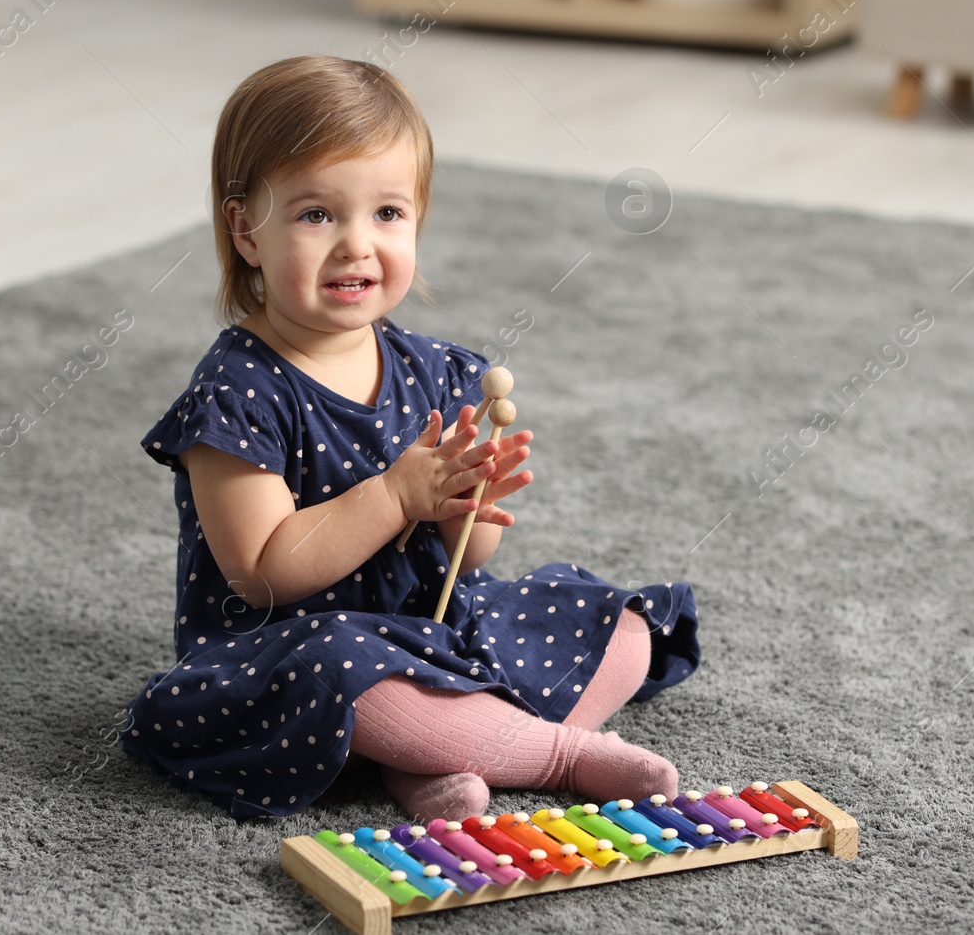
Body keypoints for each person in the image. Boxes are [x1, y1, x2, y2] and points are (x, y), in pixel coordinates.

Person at [122, 55, 699, 821]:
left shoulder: (439, 370)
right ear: (246, 231)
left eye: (387, 213)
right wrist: (396, 492)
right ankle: (554, 754)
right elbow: (263, 572)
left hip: (434, 624)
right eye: (316, 214)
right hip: (290, 653)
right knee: (350, 670)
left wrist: (468, 502)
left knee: (617, 621)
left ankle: (433, 752)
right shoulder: (237, 392)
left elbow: (471, 560)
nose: (357, 244)